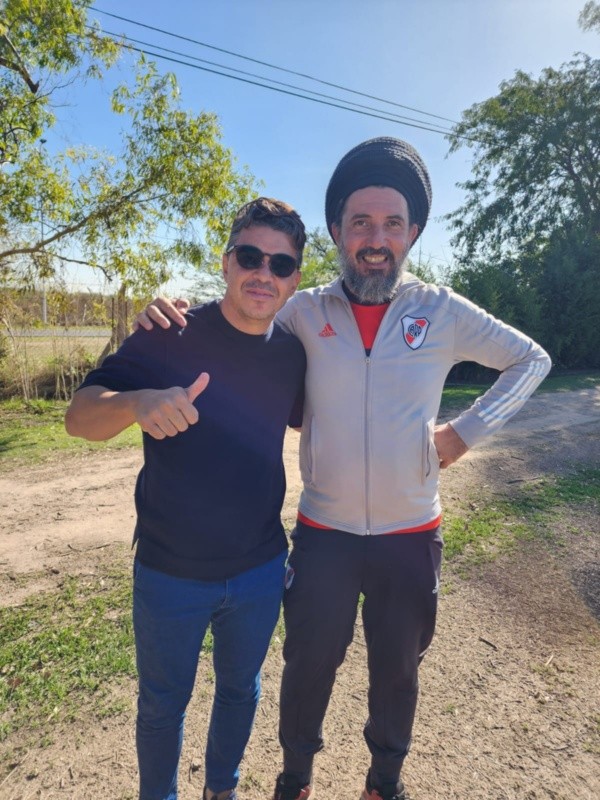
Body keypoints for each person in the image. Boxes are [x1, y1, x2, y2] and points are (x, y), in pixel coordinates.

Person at [135, 137, 552, 800]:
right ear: (336, 232)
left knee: (397, 673)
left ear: (413, 231)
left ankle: (383, 784)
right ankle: (294, 779)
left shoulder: (440, 311)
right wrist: (168, 313)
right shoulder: (303, 309)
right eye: (360, 222)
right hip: (323, 534)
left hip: (411, 535)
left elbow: (531, 360)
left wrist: (463, 434)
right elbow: (243, 318)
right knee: (306, 668)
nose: (376, 238)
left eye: (392, 223)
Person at [65, 197, 307, 800]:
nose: (264, 273)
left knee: (240, 690)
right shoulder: (169, 333)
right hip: (169, 572)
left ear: (294, 280)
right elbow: (77, 418)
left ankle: (219, 791)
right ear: (226, 263)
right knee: (162, 706)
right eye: (250, 256)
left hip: (258, 569)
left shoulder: (294, 354)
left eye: (281, 264)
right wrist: (136, 403)